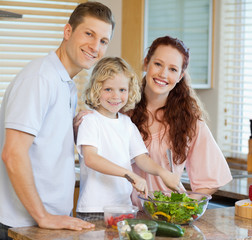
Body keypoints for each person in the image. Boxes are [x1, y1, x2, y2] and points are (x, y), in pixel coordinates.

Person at [0, 2, 115, 238]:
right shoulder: (40, 78)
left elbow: (41, 143)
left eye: (103, 41)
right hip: (22, 225)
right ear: (67, 32)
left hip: (45, 221)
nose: (95, 47)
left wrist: (68, 131)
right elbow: (13, 153)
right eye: (89, 34)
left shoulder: (66, 84)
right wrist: (43, 217)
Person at [130, 36, 233, 204]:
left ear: (180, 76)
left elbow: (212, 178)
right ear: (146, 63)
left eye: (172, 69)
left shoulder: (189, 121)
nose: (163, 74)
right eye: (158, 64)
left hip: (166, 218)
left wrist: (185, 207)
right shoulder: (123, 111)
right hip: (125, 215)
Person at [75, 57, 180, 221]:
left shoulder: (126, 123)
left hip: (123, 208)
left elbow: (141, 158)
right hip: (94, 209)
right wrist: (129, 175)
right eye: (108, 89)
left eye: (122, 90)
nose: (116, 96)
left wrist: (162, 172)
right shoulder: (90, 120)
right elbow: (91, 159)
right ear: (96, 89)